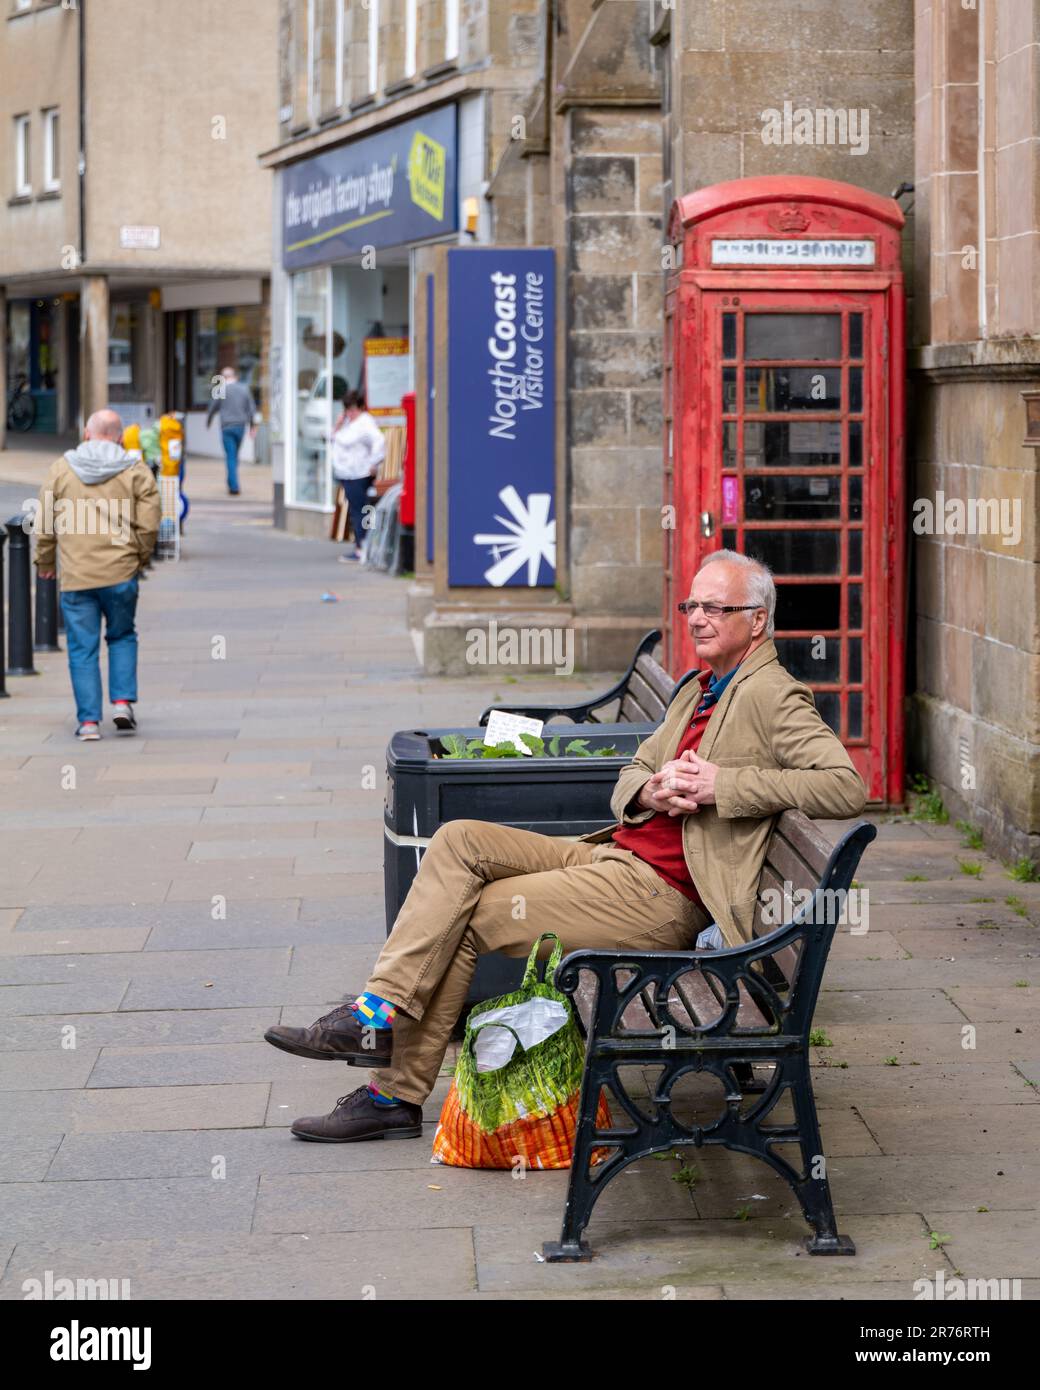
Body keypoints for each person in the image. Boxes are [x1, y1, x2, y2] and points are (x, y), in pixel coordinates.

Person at [264, 549, 868, 1142]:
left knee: (468, 916)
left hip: (658, 896)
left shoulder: (772, 694)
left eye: (715, 607)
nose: (697, 618)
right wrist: (650, 793)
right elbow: (633, 768)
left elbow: (845, 787)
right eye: (692, 605)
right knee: (457, 840)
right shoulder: (702, 687)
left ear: (756, 620)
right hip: (614, 856)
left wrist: (723, 785)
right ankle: (378, 1012)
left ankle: (388, 1092)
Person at [34, 409, 161, 741]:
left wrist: (45, 563)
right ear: (119, 437)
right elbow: (149, 525)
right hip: (121, 572)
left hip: (77, 576)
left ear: (86, 434)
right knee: (122, 636)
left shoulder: (62, 469)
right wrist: (139, 560)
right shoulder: (135, 470)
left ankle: (89, 723)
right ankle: (121, 703)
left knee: (82, 648)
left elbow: (45, 523)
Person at [330, 389, 386, 562]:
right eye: (347, 409)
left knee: (361, 511)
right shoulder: (350, 424)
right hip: (349, 473)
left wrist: (373, 463)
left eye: (353, 409)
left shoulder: (365, 424)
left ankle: (363, 548)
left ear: (361, 408)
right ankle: (364, 546)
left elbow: (379, 441)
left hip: (358, 474)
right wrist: (338, 425)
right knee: (359, 511)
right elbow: (333, 438)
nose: (349, 413)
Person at [205, 366, 256, 495]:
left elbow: (213, 407)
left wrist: (208, 421)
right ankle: (231, 481)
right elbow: (251, 408)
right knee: (234, 456)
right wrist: (252, 425)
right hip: (240, 427)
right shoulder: (244, 389)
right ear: (235, 376)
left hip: (227, 427)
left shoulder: (220, 389)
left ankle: (234, 486)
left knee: (230, 457)